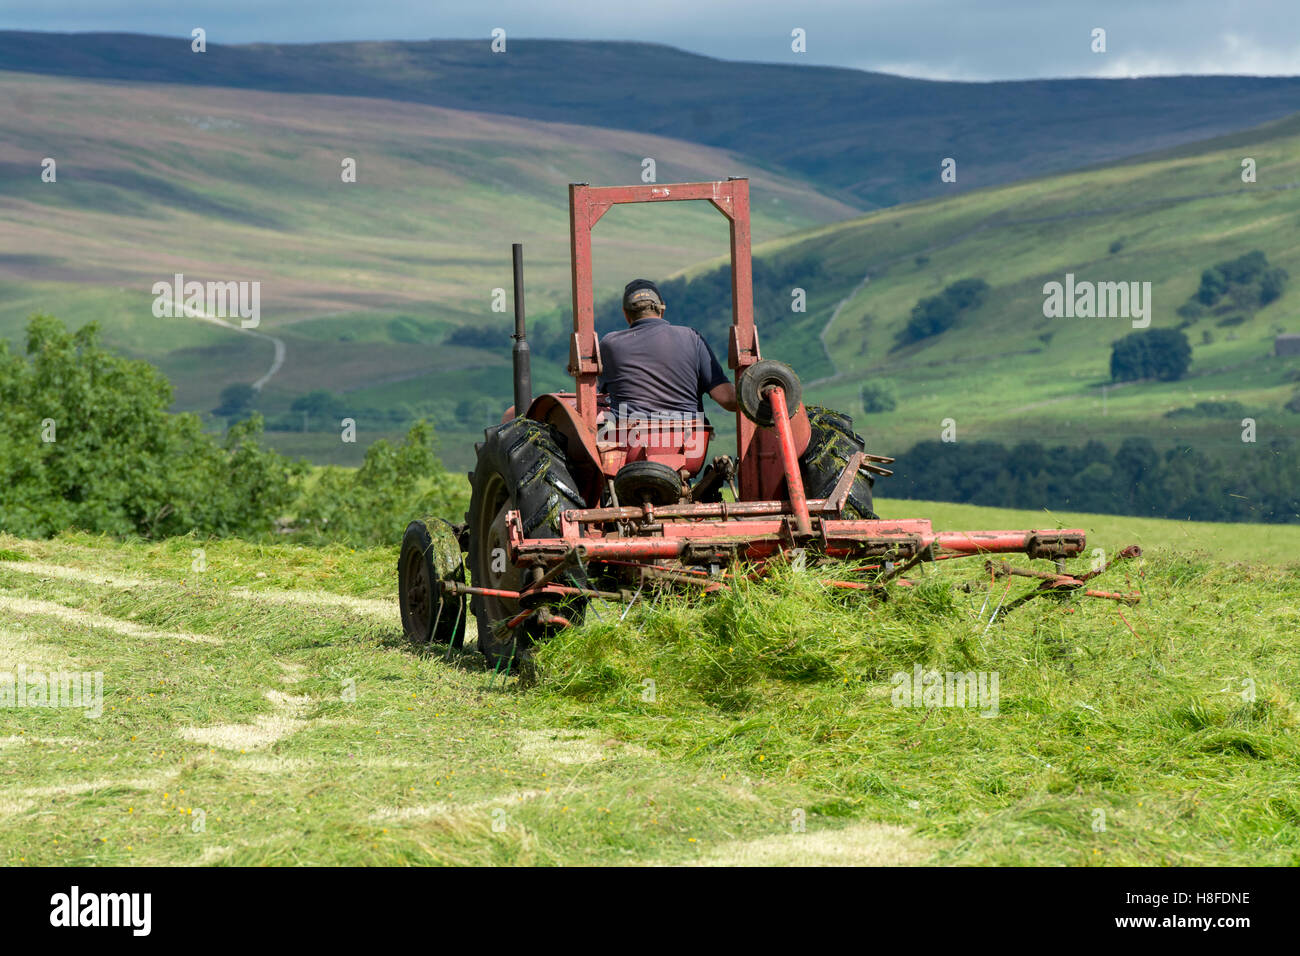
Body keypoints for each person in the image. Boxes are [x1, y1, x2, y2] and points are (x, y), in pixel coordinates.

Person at [597, 279, 738, 420]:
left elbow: (599, 394)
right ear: (662, 308)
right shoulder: (691, 338)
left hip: (631, 439)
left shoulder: (610, 344)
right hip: (689, 439)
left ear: (625, 313)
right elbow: (727, 399)